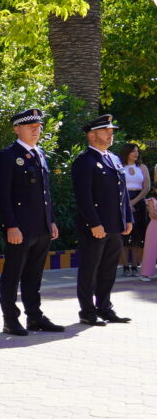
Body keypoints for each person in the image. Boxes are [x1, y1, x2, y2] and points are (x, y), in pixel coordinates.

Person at [0, 109, 63, 335]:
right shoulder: (7, 156)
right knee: (13, 274)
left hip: (40, 226)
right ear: (17, 129)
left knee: (34, 275)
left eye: (38, 126)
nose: (36, 130)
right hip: (20, 228)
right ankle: (10, 319)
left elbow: (45, 193)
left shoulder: (39, 154)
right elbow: (3, 195)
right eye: (30, 126)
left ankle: (34, 317)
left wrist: (50, 220)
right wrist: (11, 225)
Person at [71, 115, 134, 326]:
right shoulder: (84, 161)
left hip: (114, 225)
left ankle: (105, 308)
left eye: (111, 131)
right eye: (105, 131)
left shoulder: (114, 159)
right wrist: (94, 223)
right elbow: (83, 197)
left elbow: (122, 193)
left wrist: (127, 218)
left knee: (108, 268)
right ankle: (87, 311)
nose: (110, 134)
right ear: (91, 134)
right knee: (90, 269)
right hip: (95, 226)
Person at [118, 143, 151, 276]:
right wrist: (126, 203)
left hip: (139, 201)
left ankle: (135, 266)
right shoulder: (120, 167)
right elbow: (117, 187)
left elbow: (147, 187)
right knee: (124, 234)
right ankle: (125, 267)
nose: (136, 154)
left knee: (138, 235)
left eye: (137, 151)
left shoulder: (142, 167)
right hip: (123, 201)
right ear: (127, 153)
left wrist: (134, 202)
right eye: (133, 152)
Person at [138, 194, 157, 281]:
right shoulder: (151, 200)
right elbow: (153, 215)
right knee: (150, 251)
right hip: (154, 228)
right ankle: (145, 274)